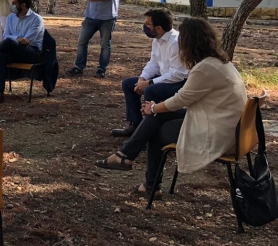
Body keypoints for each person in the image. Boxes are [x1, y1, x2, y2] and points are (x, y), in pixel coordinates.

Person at [94, 17, 246, 197]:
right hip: (226, 125)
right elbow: (185, 100)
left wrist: (153, 108)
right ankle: (127, 160)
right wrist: (157, 109)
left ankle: (146, 180)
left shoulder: (205, 68)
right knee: (158, 118)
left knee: (156, 130)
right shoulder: (219, 61)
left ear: (188, 44)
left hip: (219, 133)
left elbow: (181, 99)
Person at [112, 8, 189, 138]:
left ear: (158, 28)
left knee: (151, 90)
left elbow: (178, 74)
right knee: (128, 84)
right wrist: (143, 78)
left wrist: (150, 83)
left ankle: (149, 132)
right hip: (165, 78)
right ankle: (136, 125)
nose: (145, 27)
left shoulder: (175, 42)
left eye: (148, 24)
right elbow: (154, 63)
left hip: (180, 82)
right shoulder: (157, 39)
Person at [67, 0, 122, 78]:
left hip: (107, 18)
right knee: (82, 42)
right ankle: (79, 67)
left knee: (105, 44)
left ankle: (101, 69)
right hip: (90, 17)